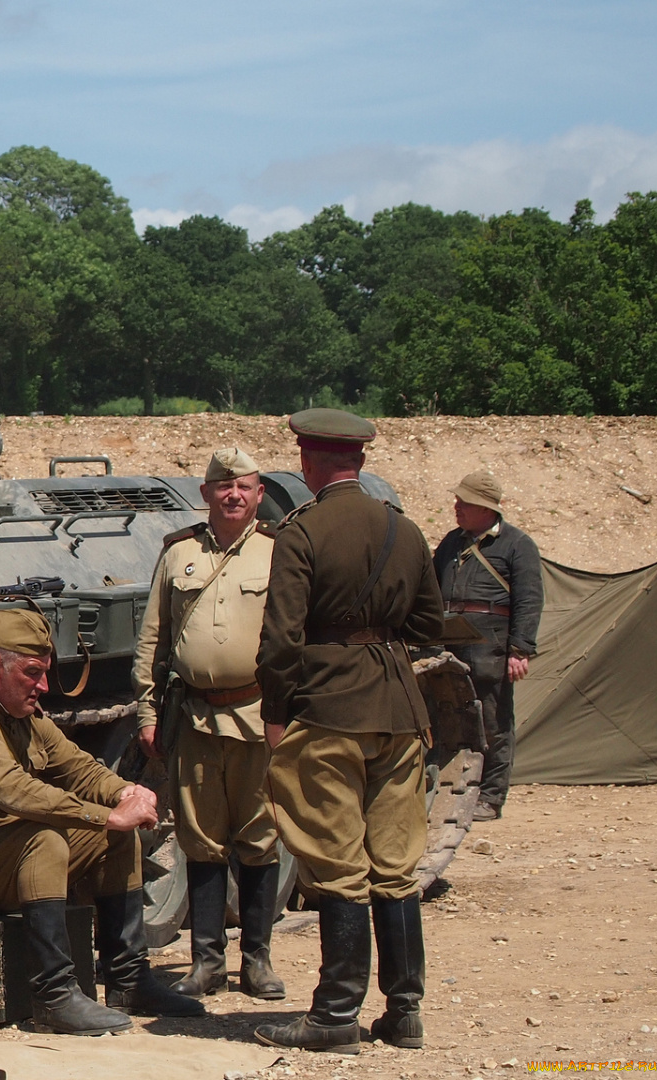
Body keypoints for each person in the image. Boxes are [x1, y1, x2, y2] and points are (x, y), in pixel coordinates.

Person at [0, 607, 204, 1036]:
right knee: (47, 839)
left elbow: (79, 768)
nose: (44, 686)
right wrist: (107, 814)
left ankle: (129, 980)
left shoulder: (17, 714)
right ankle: (54, 997)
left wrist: (125, 793)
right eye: (32, 673)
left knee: (112, 839)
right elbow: (12, 790)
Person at [254, 409, 447, 1055]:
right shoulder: (404, 528)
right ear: (358, 461)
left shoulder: (301, 531)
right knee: (394, 867)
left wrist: (277, 711)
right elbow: (427, 624)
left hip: (328, 710)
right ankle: (406, 1011)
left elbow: (280, 638)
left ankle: (336, 1014)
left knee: (338, 867)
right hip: (398, 708)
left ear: (309, 461)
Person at [132, 448, 285, 1002]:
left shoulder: (277, 552)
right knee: (201, 841)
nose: (233, 495)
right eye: (223, 486)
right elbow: (152, 639)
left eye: (243, 486)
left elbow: (293, 639)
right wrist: (148, 712)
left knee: (260, 837)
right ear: (206, 494)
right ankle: (207, 961)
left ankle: (258, 960)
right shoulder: (179, 555)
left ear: (259, 493)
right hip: (194, 716)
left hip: (255, 716)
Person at [431, 471, 541, 821]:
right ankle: (450, 791)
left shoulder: (517, 545)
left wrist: (519, 650)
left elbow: (528, 600)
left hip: (489, 645)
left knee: (494, 721)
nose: (457, 507)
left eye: (464, 503)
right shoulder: (452, 542)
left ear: (485, 508)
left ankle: (490, 797)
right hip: (450, 642)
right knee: (445, 715)